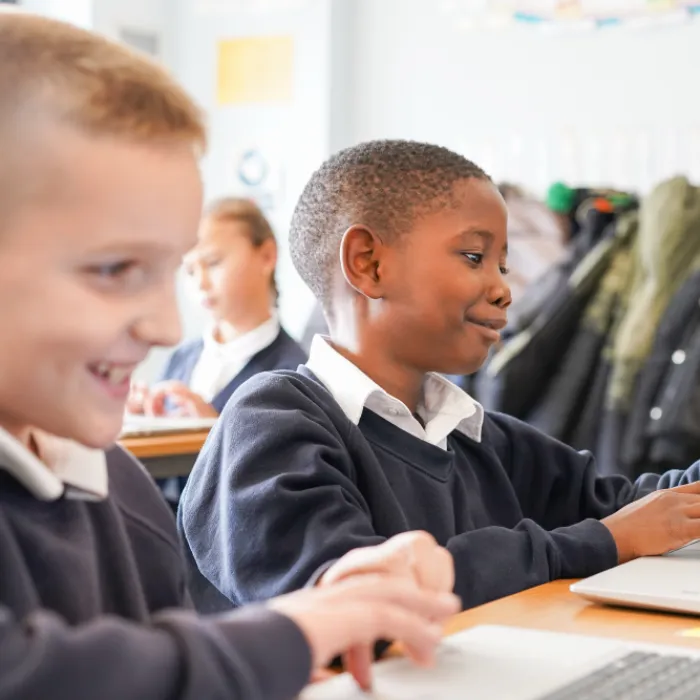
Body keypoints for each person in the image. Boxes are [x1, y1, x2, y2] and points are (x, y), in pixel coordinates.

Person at [0, 16, 460, 699]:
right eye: (114, 268)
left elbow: (167, 662)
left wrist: (334, 615)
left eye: (172, 269)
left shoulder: (119, 489)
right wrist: (290, 632)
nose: (164, 325)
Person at [179, 139, 700, 614]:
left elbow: (633, 507)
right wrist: (600, 542)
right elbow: (355, 599)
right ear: (368, 264)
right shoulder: (272, 421)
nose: (504, 290)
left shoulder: (475, 435)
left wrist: (626, 526)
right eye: (475, 257)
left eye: (502, 264)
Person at [128, 197, 306, 509]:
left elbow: (283, 486)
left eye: (212, 263)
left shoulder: (294, 374)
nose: (202, 283)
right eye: (189, 271)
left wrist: (216, 429)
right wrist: (139, 419)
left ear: (266, 256)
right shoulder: (180, 359)